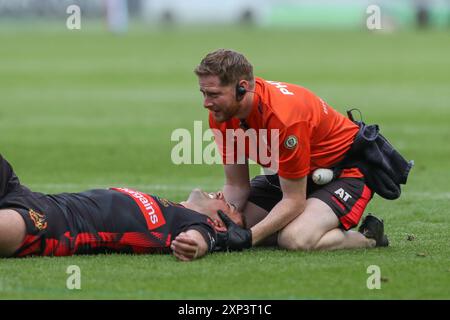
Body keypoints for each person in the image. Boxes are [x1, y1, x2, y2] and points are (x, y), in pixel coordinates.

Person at [194, 49, 412, 252]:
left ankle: (368, 238)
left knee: (294, 239)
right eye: (203, 93)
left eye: (213, 94)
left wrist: (248, 237)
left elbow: (293, 200)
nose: (206, 103)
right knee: (237, 222)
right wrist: (226, 220)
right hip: (293, 176)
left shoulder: (284, 117)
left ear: (242, 88)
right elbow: (236, 185)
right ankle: (304, 222)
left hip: (345, 172)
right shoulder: (222, 115)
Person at [0, 154, 243, 261]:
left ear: (219, 223)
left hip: (53, 226)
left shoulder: (196, 224)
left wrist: (194, 244)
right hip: (31, 197)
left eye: (230, 205)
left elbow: (199, 240)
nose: (223, 194)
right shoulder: (168, 205)